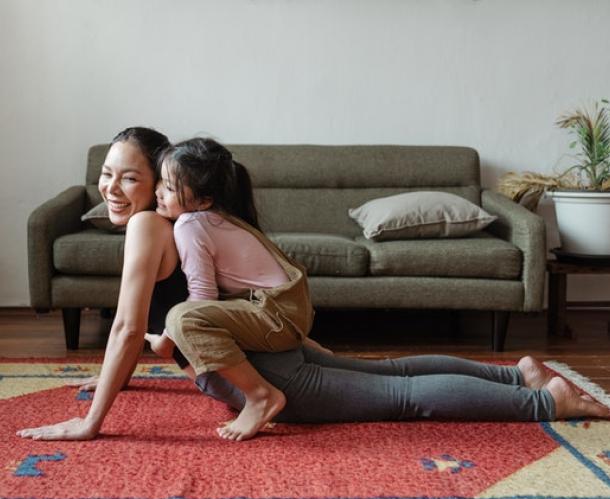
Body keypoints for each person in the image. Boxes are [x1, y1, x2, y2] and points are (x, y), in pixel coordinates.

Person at [16, 129, 610, 443]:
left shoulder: (155, 225)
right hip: (272, 347)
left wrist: (92, 421)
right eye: (105, 176)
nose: (113, 189)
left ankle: (542, 402)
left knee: (406, 398)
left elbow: (130, 325)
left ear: (164, 182)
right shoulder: (196, 221)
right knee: (397, 374)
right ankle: (518, 374)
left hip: (270, 374)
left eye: (131, 178)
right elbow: (184, 317)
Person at [147, 137, 329, 440]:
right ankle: (300, 343)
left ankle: (261, 396)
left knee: (182, 318)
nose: (158, 191)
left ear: (203, 200)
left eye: (168, 186)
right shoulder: (217, 218)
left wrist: (167, 340)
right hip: (287, 312)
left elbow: (202, 298)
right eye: (160, 183)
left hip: (277, 317)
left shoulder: (190, 224)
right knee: (187, 317)